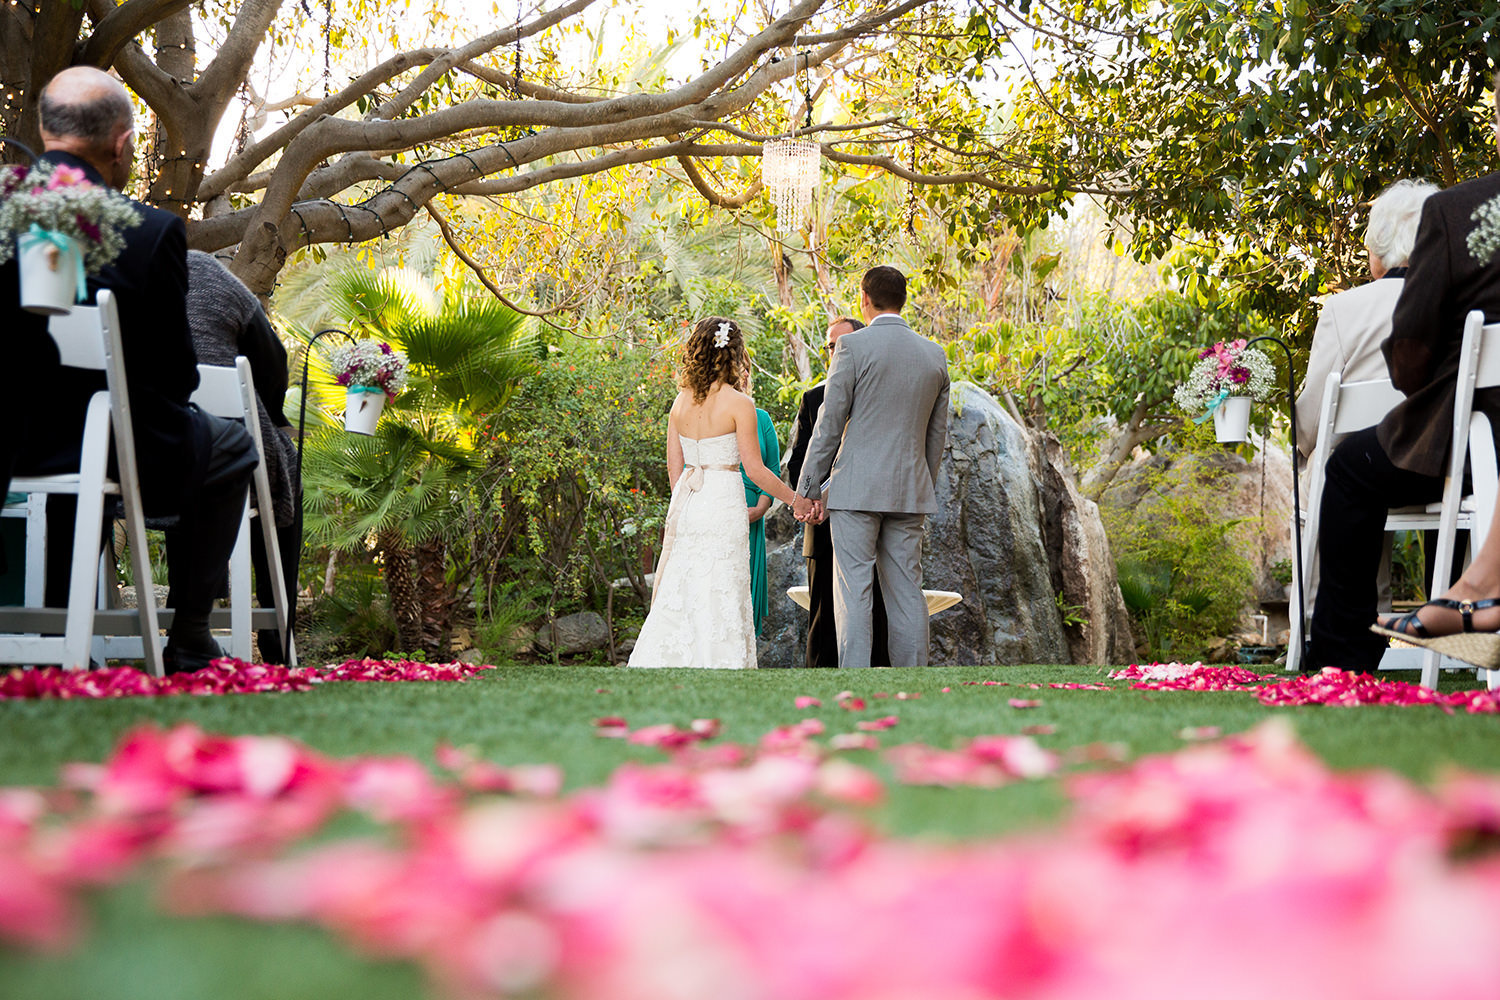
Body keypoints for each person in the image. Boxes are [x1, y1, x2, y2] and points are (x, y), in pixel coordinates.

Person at [1, 67, 257, 674]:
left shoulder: (9, 212)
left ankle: (60, 621)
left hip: (16, 438)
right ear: (120, 144)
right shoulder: (149, 231)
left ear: (44, 130)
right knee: (235, 447)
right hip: (119, 444)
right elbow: (175, 376)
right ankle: (191, 634)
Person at [1310, 70, 1500, 671]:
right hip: (1486, 472)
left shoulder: (1460, 212)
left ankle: (1342, 656)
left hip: (1466, 445)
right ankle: (1469, 602)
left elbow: (1411, 357)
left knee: (1345, 470)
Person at [629, 317, 812, 669]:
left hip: (691, 502)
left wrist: (685, 503)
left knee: (686, 580)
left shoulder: (680, 402)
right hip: (725, 502)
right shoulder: (739, 404)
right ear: (736, 354)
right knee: (722, 582)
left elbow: (674, 468)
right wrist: (796, 500)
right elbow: (756, 470)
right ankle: (722, 660)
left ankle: (667, 658)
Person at [1295, 179, 1438, 614]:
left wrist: (1301, 449)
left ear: (1378, 249)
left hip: (1365, 474)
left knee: (1329, 465)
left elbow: (1312, 422)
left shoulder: (1344, 310)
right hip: (1446, 472)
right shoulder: (1461, 306)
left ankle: (1339, 614)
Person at [795, 266, 950, 669]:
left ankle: (856, 683)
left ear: (865, 298)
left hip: (855, 491)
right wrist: (922, 486)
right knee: (906, 592)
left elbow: (829, 424)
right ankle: (914, 683)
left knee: (854, 594)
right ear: (904, 299)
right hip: (910, 492)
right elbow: (936, 437)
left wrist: (808, 488)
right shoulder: (935, 356)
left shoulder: (852, 348)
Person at [185, 250, 301, 663]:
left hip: (125, 456)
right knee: (278, 465)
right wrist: (266, 412)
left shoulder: (107, 271)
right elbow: (273, 363)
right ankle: (277, 635)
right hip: (220, 448)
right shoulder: (206, 270)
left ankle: (191, 610)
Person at [785, 316, 890, 667]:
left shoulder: (881, 396)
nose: (834, 352)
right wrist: (811, 500)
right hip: (822, 522)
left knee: (877, 609)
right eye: (830, 346)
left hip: (873, 517)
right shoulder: (814, 398)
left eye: (840, 345)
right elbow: (799, 460)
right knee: (823, 616)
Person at [738, 367, 780, 638]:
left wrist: (764, 505)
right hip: (718, 511)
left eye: (745, 366)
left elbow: (772, 467)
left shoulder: (761, 418)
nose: (740, 371)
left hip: (754, 516)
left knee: (747, 586)